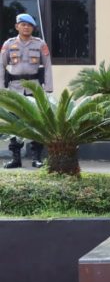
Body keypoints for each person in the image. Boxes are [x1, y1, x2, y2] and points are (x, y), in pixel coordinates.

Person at [0, 13, 53, 169]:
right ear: (17, 26)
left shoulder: (40, 44)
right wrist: (2, 89)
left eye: (29, 25)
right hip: (15, 89)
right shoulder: (9, 44)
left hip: (34, 88)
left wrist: (48, 88)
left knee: (36, 122)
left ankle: (36, 158)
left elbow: (48, 66)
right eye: (23, 24)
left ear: (33, 28)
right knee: (14, 123)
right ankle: (16, 158)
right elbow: (1, 66)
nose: (26, 27)